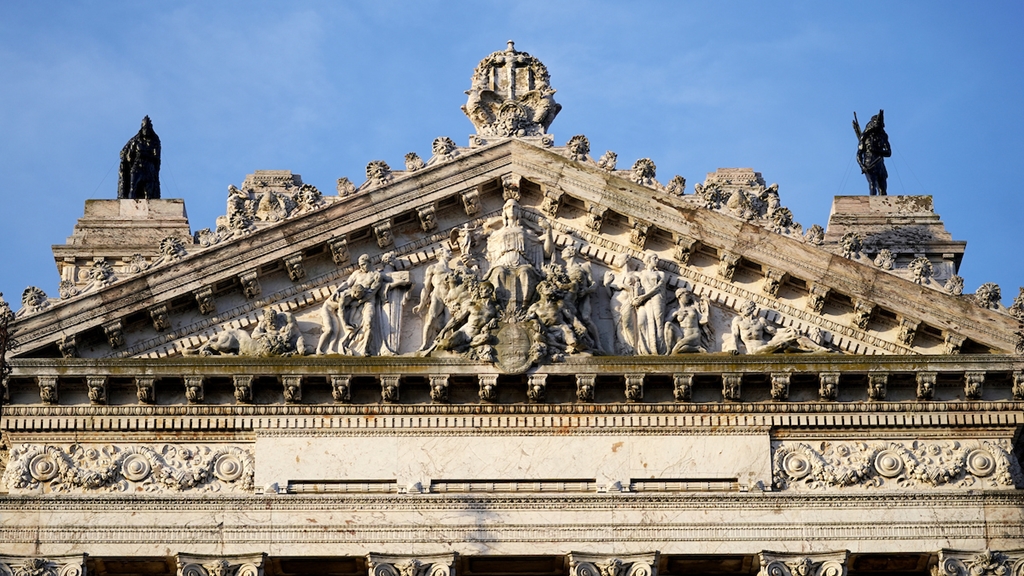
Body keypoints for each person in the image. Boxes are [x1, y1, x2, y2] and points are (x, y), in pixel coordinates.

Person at [117, 116, 161, 199]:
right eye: (144, 128)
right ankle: (130, 205)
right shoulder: (135, 141)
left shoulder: (154, 142)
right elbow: (124, 153)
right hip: (137, 166)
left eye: (147, 129)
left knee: (149, 190)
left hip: (149, 168)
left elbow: (156, 157)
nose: (146, 131)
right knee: (133, 187)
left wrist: (145, 155)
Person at [853, 110, 891, 196]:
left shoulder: (883, 136)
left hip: (880, 164)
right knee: (872, 185)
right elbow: (859, 154)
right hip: (869, 163)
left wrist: (876, 150)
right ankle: (873, 203)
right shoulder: (865, 137)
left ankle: (883, 206)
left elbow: (888, 152)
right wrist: (862, 166)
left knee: (883, 190)